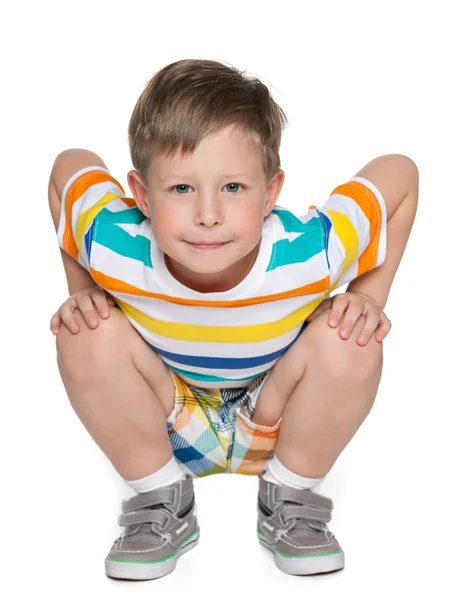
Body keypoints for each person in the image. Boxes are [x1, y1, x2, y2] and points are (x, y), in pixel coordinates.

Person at [47, 58, 418, 580]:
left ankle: (288, 496)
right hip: (166, 413)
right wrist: (84, 291)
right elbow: (69, 167)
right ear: (141, 194)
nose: (207, 215)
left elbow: (400, 171)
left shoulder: (309, 251)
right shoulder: (115, 243)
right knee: (81, 331)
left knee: (352, 336)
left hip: (278, 411)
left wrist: (370, 296)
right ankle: (161, 499)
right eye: (180, 189)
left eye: (233, 188)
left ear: (270, 192)